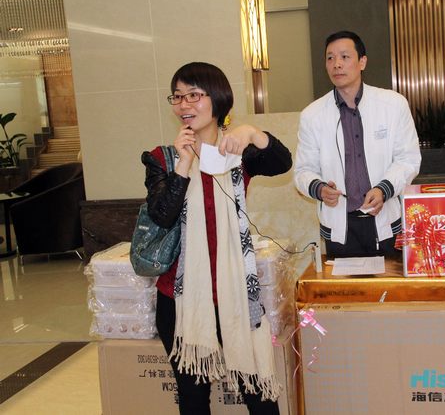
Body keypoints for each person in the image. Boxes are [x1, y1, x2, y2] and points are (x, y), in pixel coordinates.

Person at [141, 62, 291, 415]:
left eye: (194, 95)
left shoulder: (236, 152)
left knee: (258, 392)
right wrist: (183, 164)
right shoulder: (162, 158)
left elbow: (281, 162)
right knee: (192, 397)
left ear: (218, 98)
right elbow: (161, 216)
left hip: (234, 292)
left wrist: (252, 132)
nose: (184, 104)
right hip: (180, 298)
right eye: (177, 97)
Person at [294, 30, 421, 259]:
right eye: (330, 58)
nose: (337, 64)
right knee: (344, 283)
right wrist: (319, 188)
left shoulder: (393, 105)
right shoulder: (312, 115)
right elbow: (303, 171)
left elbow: (408, 159)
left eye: (344, 57)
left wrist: (383, 189)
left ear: (362, 62)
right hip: (340, 227)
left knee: (390, 281)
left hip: (386, 221)